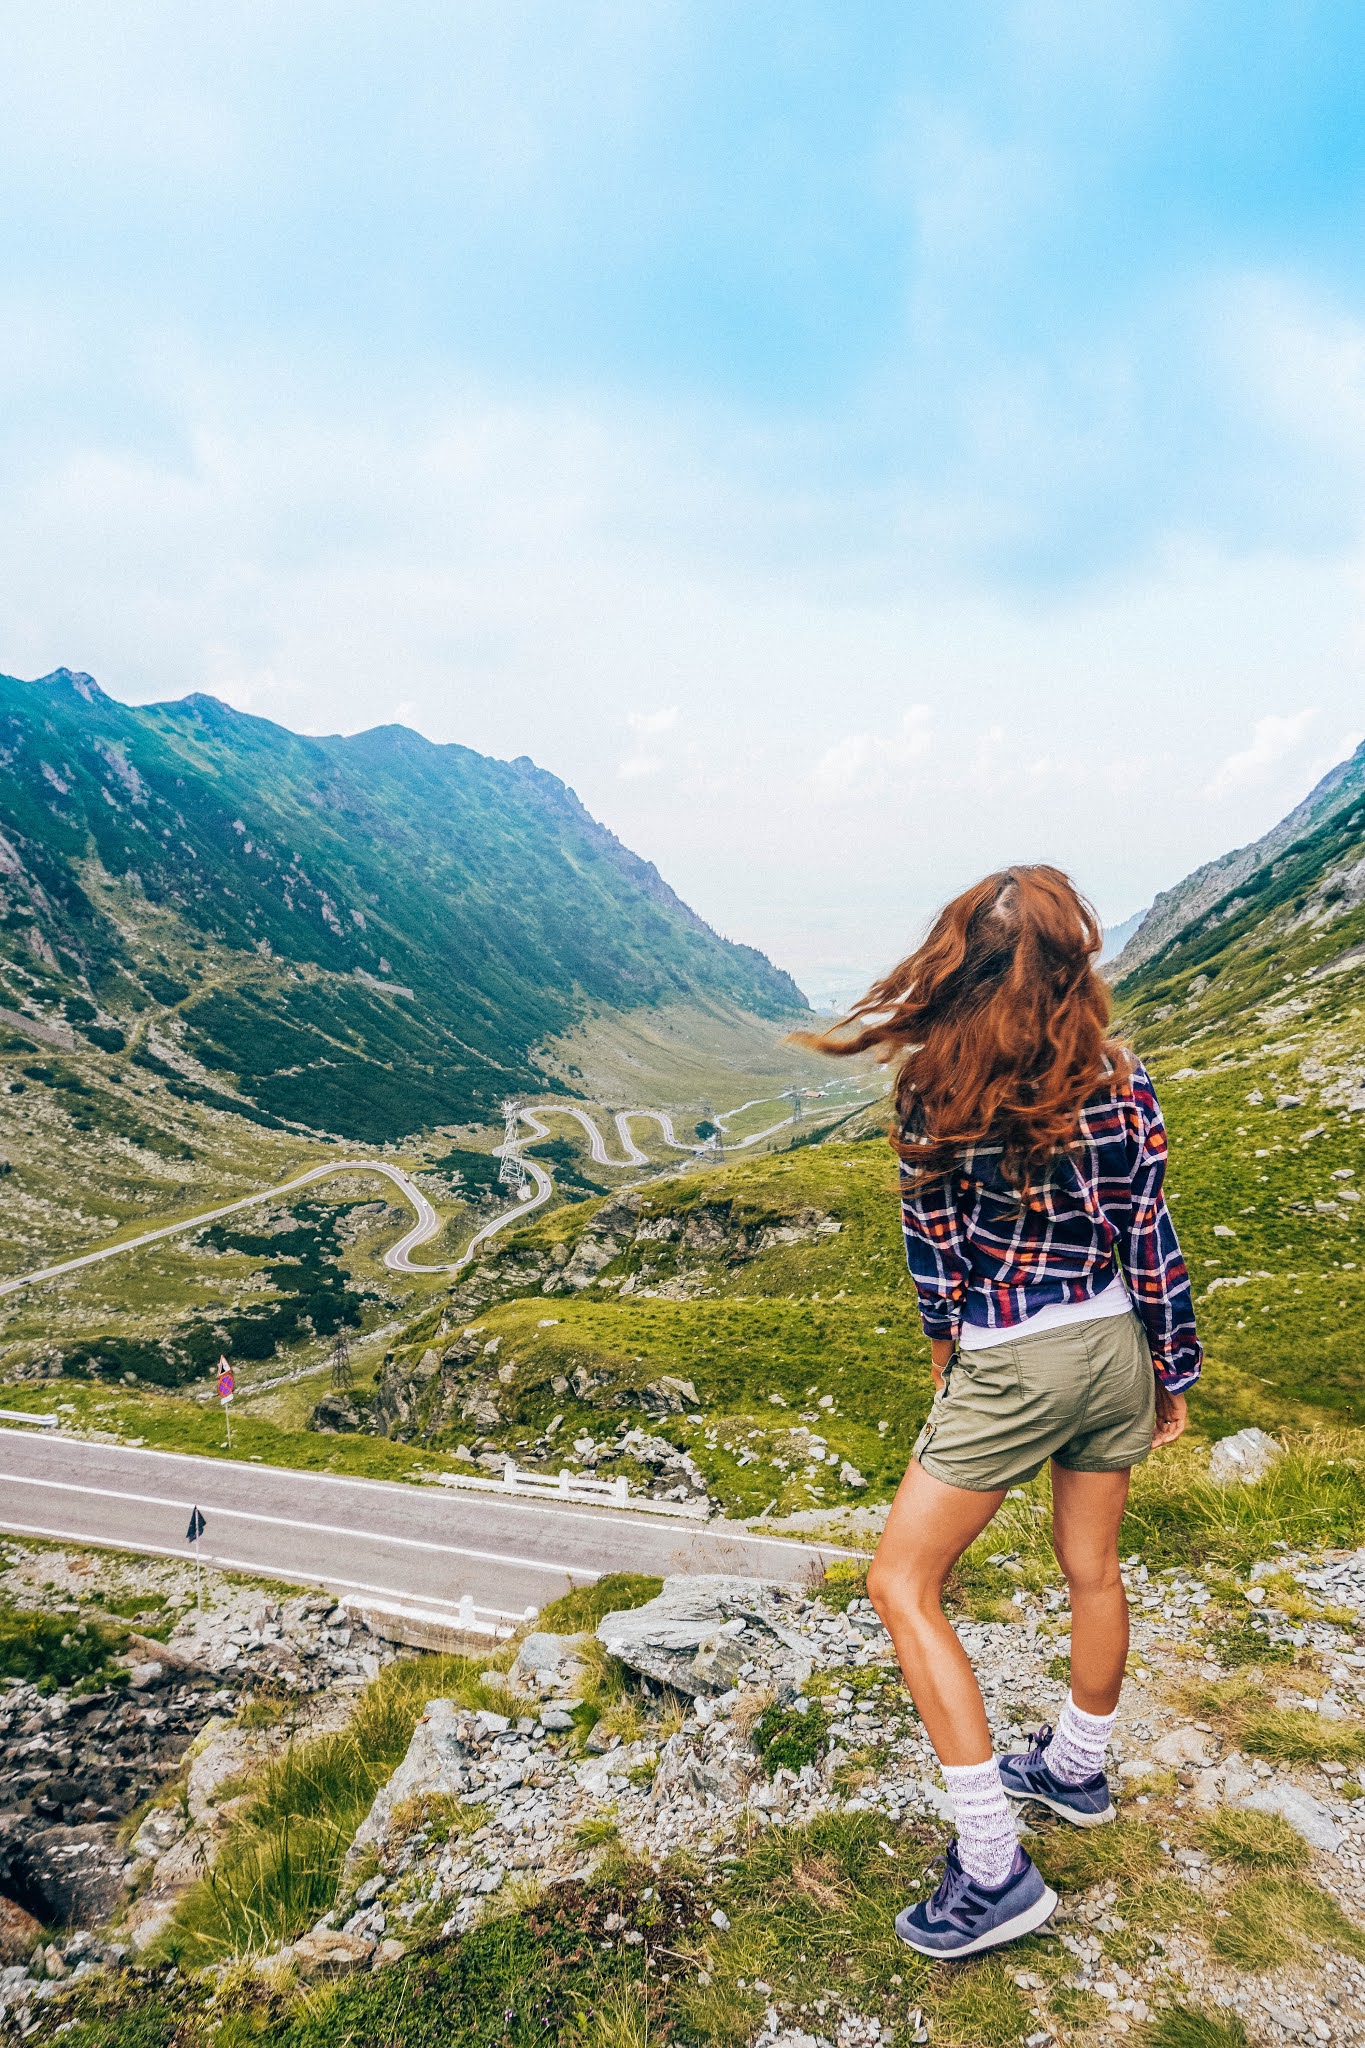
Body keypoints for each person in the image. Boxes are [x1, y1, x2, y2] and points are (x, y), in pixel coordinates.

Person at [800, 865, 1200, 1959]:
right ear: (1072, 966)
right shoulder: (1124, 1080)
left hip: (1014, 1353)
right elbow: (1150, 1233)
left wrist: (949, 1360)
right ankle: (1075, 1769)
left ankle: (992, 1867)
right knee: (1092, 1568)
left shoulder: (937, 1089)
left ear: (961, 965)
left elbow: (935, 1257)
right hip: (1116, 1345)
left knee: (901, 1582)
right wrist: (1170, 1369)